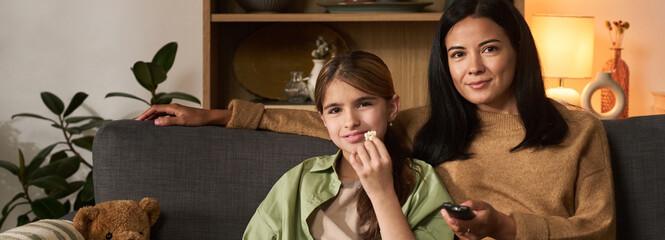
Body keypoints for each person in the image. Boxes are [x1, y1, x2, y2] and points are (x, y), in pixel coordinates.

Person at [137, 0, 616, 239]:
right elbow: (342, 122)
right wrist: (218, 114)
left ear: (518, 50)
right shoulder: (432, 124)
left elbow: (600, 229)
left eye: (489, 49)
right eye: (457, 54)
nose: (473, 67)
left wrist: (507, 228)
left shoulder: (579, 130)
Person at [240, 51, 453, 239]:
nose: (350, 121)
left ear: (392, 108)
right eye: (335, 110)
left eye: (363, 104)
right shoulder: (298, 181)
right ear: (323, 119)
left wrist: (382, 192)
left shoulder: (421, 181)